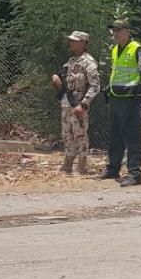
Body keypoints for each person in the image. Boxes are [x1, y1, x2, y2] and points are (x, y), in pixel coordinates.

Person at [99, 18, 141, 187]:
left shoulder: (137, 49)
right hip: (116, 97)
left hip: (130, 99)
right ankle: (113, 168)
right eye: (113, 30)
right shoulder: (115, 49)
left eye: (118, 30)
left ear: (127, 31)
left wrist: (138, 94)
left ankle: (135, 173)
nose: (115, 33)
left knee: (132, 135)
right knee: (115, 135)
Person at [50, 30, 100, 175]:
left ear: (83, 43)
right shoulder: (71, 61)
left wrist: (84, 105)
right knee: (67, 134)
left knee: (80, 134)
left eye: (74, 41)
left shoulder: (89, 62)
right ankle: (68, 163)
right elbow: (62, 76)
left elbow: (95, 86)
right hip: (66, 103)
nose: (71, 43)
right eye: (71, 40)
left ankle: (81, 165)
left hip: (78, 104)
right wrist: (55, 77)